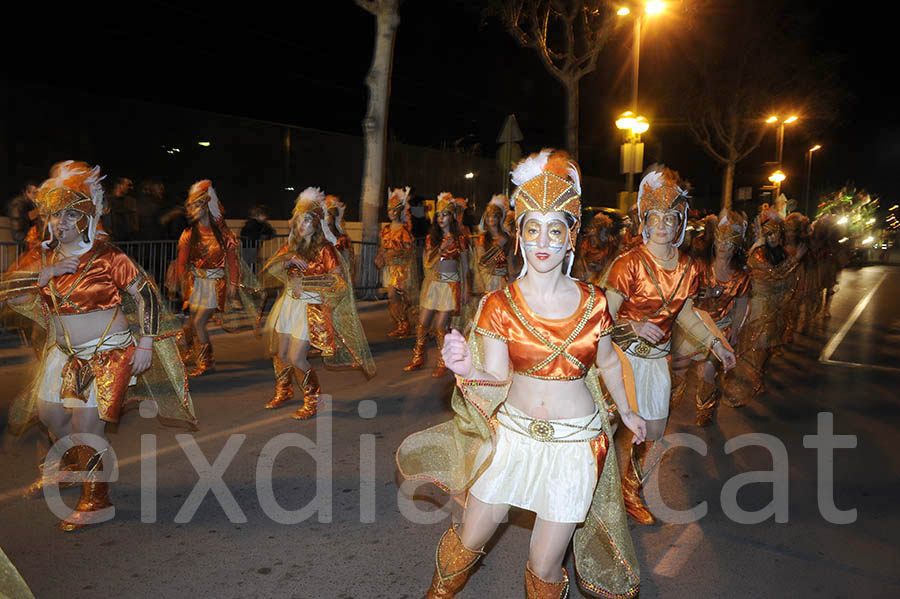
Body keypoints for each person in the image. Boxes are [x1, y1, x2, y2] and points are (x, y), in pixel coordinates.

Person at [397, 149, 645, 598]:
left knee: (544, 562)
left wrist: (627, 410)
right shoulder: (498, 305)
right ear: (520, 237)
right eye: (533, 228)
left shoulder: (594, 302)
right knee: (472, 535)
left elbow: (608, 361)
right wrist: (466, 366)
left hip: (575, 447)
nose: (543, 240)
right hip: (512, 439)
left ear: (571, 238)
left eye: (556, 229)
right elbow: (495, 376)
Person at [0, 161, 197, 531]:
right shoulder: (40, 257)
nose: (61, 222)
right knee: (51, 417)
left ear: (87, 217)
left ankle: (97, 500)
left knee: (87, 428)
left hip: (106, 352)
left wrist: (145, 344)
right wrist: (40, 276)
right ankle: (75, 469)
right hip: (63, 355)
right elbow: (6, 294)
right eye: (56, 215)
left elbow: (148, 295)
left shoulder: (108, 257)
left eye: (71, 214)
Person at [602, 166, 736, 524]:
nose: (662, 224)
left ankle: (630, 489)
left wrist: (717, 343)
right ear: (644, 220)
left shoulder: (690, 268)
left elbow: (688, 314)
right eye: (655, 216)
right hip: (619, 359)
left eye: (671, 217)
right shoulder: (627, 264)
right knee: (604, 430)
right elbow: (601, 318)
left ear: (681, 223)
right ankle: (595, 493)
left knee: (655, 431)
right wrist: (633, 324)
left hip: (656, 360)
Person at [260, 187, 374, 418]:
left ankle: (314, 399)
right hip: (289, 305)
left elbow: (338, 282)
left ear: (317, 223)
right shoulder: (291, 247)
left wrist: (308, 283)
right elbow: (268, 271)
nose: (302, 225)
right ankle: (284, 390)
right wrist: (287, 260)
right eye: (299, 220)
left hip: (311, 307)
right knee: (281, 354)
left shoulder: (326, 249)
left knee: (296, 357)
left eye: (308, 220)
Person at [171, 180, 260, 376]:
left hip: (215, 284)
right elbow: (181, 262)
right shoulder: (188, 235)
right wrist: (179, 281)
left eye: (196, 206)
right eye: (191, 206)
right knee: (190, 323)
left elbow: (233, 261)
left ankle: (206, 362)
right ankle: (189, 352)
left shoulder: (224, 235)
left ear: (206, 207)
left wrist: (234, 283)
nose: (192, 210)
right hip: (196, 284)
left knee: (199, 323)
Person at [671, 209, 750, 426]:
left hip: (720, 327)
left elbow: (742, 304)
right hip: (694, 325)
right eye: (720, 240)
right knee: (678, 369)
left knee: (705, 373)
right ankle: (666, 407)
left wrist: (735, 329)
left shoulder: (741, 276)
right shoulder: (699, 266)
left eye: (729, 242)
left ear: (737, 247)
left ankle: (704, 410)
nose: (724, 245)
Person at [722, 209, 805, 407]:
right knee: (756, 346)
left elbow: (789, 280)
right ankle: (750, 380)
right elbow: (776, 274)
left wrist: (787, 300)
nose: (773, 237)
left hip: (776, 308)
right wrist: (795, 259)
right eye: (768, 233)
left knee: (767, 348)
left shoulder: (781, 252)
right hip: (760, 306)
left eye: (776, 232)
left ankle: (758, 376)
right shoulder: (758, 254)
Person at [404, 192, 469, 376]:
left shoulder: (460, 239)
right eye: (438, 215)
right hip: (433, 285)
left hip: (450, 286)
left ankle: (443, 361)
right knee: (422, 322)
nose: (441, 218)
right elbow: (427, 263)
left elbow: (465, 266)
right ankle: (418, 357)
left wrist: (466, 289)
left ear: (452, 216)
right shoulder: (431, 239)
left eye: (445, 214)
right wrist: (440, 248)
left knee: (441, 325)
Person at [374, 187, 419, 338]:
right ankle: (402, 324)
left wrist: (395, 255)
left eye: (395, 209)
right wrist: (380, 256)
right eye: (389, 209)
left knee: (399, 295)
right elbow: (383, 246)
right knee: (393, 297)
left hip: (401, 268)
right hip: (389, 267)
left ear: (400, 211)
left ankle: (407, 323)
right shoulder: (386, 229)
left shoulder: (404, 229)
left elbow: (410, 250)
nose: (392, 212)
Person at [470, 194, 510, 299]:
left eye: (494, 216)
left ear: (500, 217)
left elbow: (511, 261)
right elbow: (482, 261)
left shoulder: (507, 237)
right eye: (488, 216)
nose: (491, 219)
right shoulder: (482, 238)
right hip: (487, 280)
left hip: (504, 280)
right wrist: (498, 245)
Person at [573, 213, 618, 284]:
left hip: (602, 279)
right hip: (588, 279)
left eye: (606, 229)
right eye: (602, 229)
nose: (605, 233)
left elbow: (611, 263)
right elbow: (580, 264)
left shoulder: (611, 243)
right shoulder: (585, 244)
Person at [324, 194, 356, 282]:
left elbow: (347, 264)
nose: (327, 217)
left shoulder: (342, 239)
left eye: (330, 213)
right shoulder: (317, 238)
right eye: (325, 212)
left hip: (338, 279)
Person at [7, 180, 39, 248]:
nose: (36, 196)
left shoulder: (32, 204)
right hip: (25, 244)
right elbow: (17, 232)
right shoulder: (18, 204)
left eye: (38, 193)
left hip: (29, 241)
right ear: (27, 192)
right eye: (34, 193)